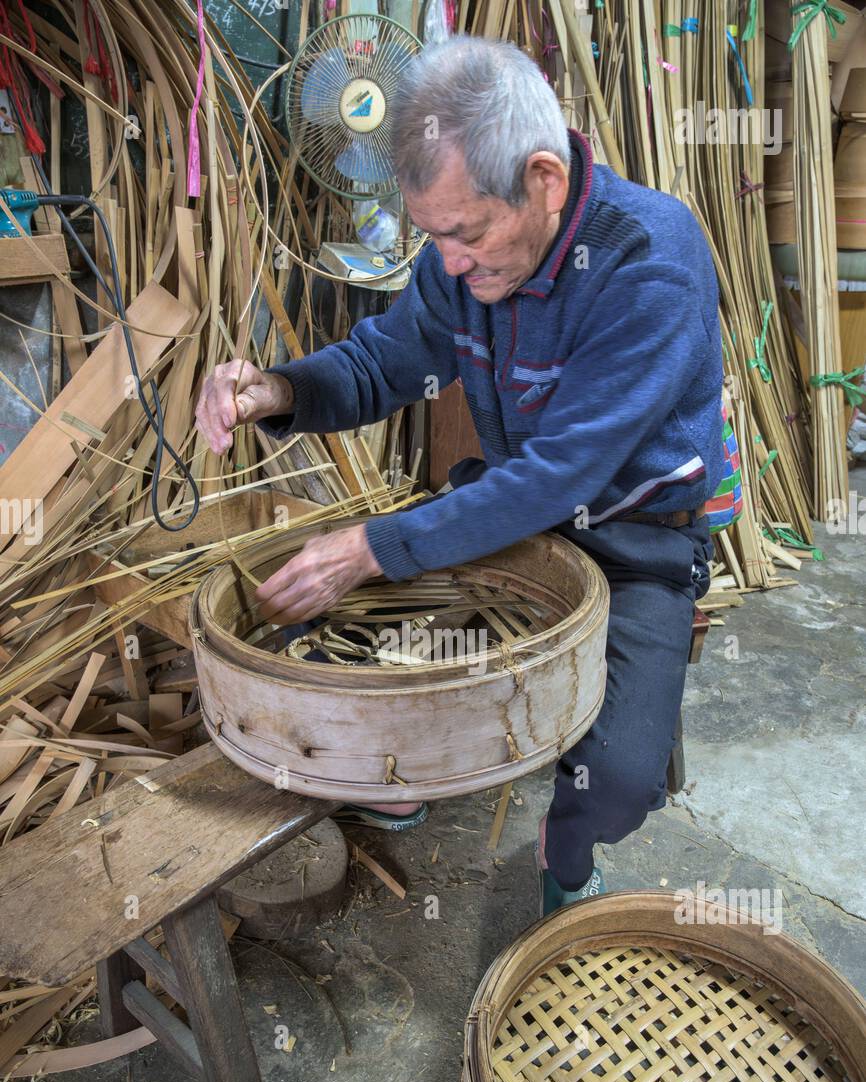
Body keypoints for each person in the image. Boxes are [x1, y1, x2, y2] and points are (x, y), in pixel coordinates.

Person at [195, 35, 726, 915]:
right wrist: (277, 388)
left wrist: (372, 546)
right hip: (515, 512)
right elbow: (380, 364)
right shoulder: (460, 262)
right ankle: (400, 780)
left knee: (620, 781)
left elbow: (560, 473)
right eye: (432, 234)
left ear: (545, 182)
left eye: (466, 232)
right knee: (364, 651)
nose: (447, 262)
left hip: (634, 541)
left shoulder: (648, 262)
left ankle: (567, 859)